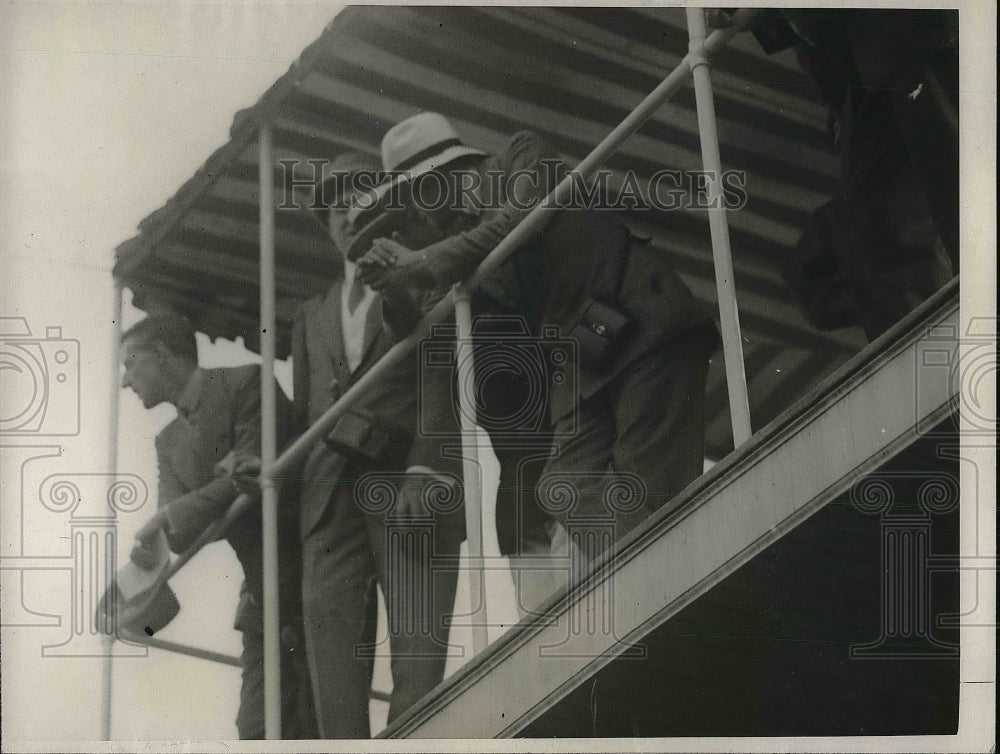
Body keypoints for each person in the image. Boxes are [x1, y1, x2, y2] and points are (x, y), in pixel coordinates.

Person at [358, 112, 719, 568]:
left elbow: (514, 223)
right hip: (586, 355)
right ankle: (659, 577)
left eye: (414, 194)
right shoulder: (457, 244)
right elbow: (422, 328)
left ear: (442, 178)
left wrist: (422, 261)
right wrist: (392, 284)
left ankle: (673, 582)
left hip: (642, 323)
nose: (414, 211)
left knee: (647, 489)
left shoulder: (521, 155)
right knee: (563, 483)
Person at [287, 151, 465, 737]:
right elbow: (306, 413)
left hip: (403, 477)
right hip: (327, 497)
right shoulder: (309, 314)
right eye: (332, 205)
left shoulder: (421, 273)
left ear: (385, 202)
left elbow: (436, 371)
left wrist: (426, 468)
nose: (344, 213)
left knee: (418, 656)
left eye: (357, 197)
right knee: (332, 669)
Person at [121, 314, 315, 740]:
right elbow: (180, 533)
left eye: (131, 364)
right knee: (255, 728)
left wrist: (171, 515)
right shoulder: (167, 442)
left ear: (160, 354)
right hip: (261, 596)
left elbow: (250, 475)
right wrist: (171, 520)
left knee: (316, 722)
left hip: (314, 573)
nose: (125, 381)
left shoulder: (247, 383)